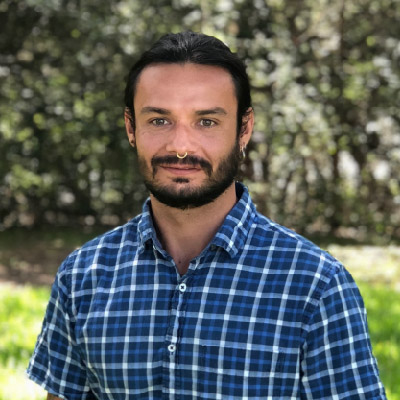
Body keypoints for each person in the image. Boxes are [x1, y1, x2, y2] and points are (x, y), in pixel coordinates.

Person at [27, 31, 386, 399]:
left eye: (207, 122)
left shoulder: (316, 285)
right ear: (131, 128)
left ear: (244, 129)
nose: (181, 146)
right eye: (159, 120)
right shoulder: (81, 276)